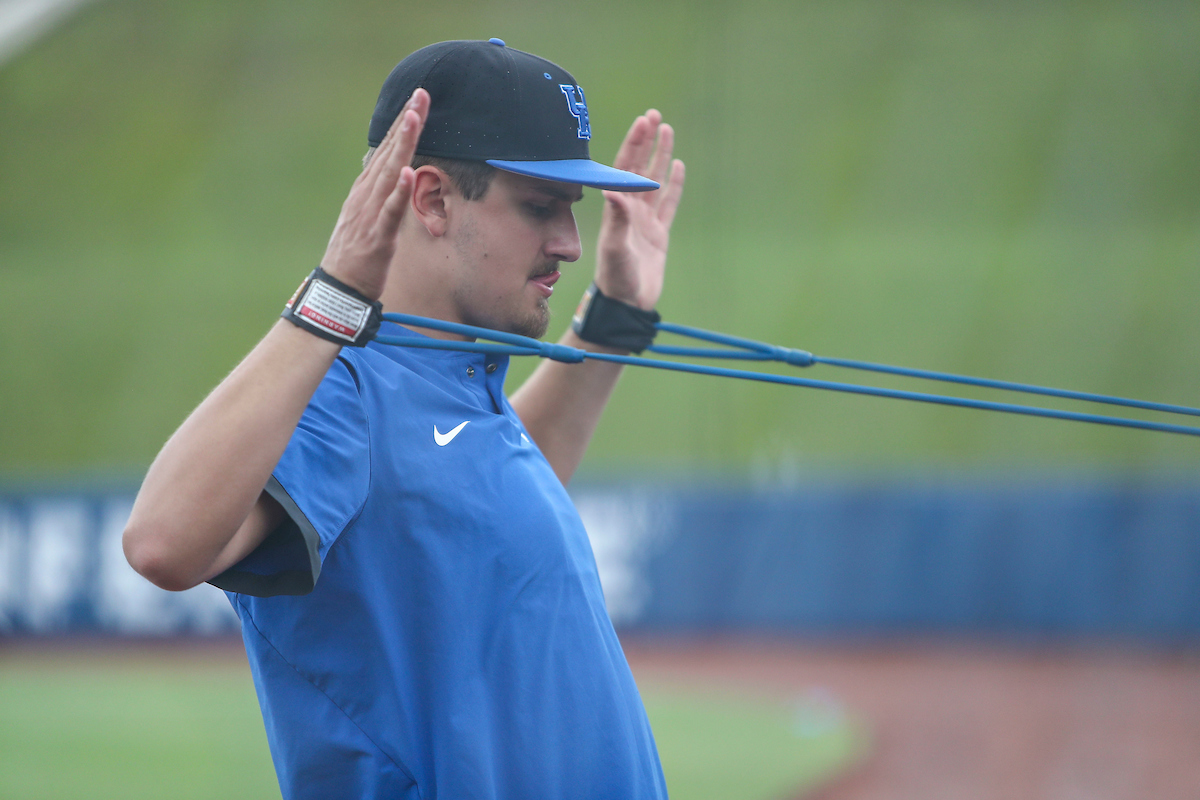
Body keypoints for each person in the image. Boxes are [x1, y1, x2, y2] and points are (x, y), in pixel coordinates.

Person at [122, 38, 685, 799]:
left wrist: (614, 319)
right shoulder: (343, 388)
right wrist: (331, 299)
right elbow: (161, 543)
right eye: (540, 208)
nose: (571, 246)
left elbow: (462, 508)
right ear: (432, 200)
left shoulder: (452, 380)